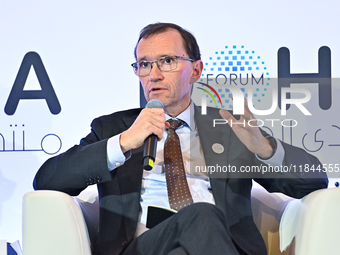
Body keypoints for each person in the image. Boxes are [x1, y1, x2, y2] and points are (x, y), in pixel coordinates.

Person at [33, 23, 328, 255]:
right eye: (144, 64)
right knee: (200, 215)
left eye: (168, 61)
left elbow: (313, 181)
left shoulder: (228, 127)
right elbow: (47, 180)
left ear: (196, 70)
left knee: (199, 227)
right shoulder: (114, 127)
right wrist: (122, 142)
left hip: (220, 244)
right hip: (141, 247)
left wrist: (264, 148)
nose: (154, 74)